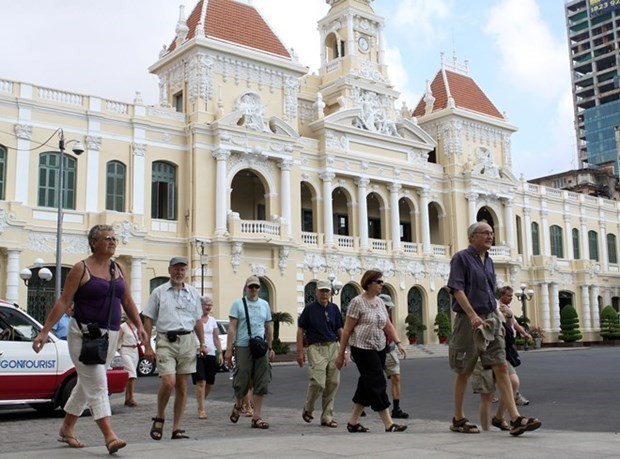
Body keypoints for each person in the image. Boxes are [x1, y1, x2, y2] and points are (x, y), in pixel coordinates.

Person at [32, 224, 147, 454]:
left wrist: (139, 325)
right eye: (107, 238)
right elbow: (64, 301)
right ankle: (110, 436)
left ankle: (66, 428)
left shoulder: (118, 268)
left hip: (110, 335)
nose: (113, 242)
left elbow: (127, 301)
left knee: (86, 386)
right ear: (94, 242)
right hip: (83, 336)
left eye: (114, 238)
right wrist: (45, 330)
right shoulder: (80, 269)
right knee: (98, 384)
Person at [447, 221, 541, 436]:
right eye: (485, 233)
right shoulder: (461, 258)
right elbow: (456, 289)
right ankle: (458, 418)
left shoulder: (489, 261)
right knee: (464, 369)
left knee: (500, 366)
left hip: (490, 319)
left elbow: (490, 293)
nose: (490, 236)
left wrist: (498, 318)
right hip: (468, 319)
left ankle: (515, 418)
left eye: (492, 233)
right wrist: (472, 315)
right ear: (472, 237)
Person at [335, 269, 408, 433]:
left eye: (382, 282)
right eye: (379, 282)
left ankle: (353, 422)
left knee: (366, 383)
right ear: (369, 283)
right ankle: (389, 423)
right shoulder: (357, 302)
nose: (382, 285)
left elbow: (388, 325)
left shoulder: (380, 302)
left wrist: (398, 342)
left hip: (379, 347)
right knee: (377, 381)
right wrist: (342, 353)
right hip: (361, 348)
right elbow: (346, 330)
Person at [143, 256, 205, 441]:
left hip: (187, 340)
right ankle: (160, 416)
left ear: (186, 271)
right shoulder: (159, 292)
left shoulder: (193, 293)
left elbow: (197, 320)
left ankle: (177, 427)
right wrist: (147, 345)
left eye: (182, 269)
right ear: (169, 270)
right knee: (168, 382)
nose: (179, 272)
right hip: (166, 340)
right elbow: (148, 317)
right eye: (176, 269)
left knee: (182, 386)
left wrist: (203, 343)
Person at [226, 275, 274, 429]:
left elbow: (268, 326)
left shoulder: (264, 305)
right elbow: (232, 328)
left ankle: (257, 417)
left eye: (256, 287)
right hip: (243, 345)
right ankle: (239, 404)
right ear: (246, 288)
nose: (253, 290)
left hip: (260, 346)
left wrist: (271, 347)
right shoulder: (238, 304)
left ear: (259, 289)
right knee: (242, 379)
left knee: (262, 380)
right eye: (251, 287)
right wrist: (229, 349)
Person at [296, 280, 346, 428]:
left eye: (327, 291)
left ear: (330, 293)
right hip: (316, 347)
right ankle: (309, 408)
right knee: (318, 381)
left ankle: (327, 417)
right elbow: (300, 330)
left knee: (333, 382)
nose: (324, 294)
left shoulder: (334, 308)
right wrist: (299, 352)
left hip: (333, 347)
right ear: (316, 292)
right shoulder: (309, 309)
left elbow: (340, 330)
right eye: (321, 291)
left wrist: (344, 351)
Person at [496, 286, 531, 406]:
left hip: (508, 344)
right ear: (502, 295)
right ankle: (512, 398)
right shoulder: (496, 308)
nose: (511, 298)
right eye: (509, 296)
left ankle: (510, 397)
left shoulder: (507, 308)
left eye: (512, 296)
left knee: (502, 373)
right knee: (511, 378)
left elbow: (514, 324)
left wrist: (524, 333)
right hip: (500, 345)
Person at [378, 293, 409, 419]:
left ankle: (396, 408)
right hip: (376, 352)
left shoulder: (388, 317)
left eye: (388, 307)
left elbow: (391, 331)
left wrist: (399, 344)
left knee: (396, 377)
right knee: (371, 380)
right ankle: (359, 406)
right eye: (386, 307)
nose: (388, 309)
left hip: (389, 350)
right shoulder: (372, 316)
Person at [192, 295, 223, 419]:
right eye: (206, 304)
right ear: (201, 306)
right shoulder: (195, 319)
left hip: (210, 353)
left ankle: (201, 401)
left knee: (210, 382)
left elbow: (216, 337)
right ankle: (202, 409)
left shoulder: (213, 320)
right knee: (201, 381)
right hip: (197, 352)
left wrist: (220, 353)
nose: (208, 307)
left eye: (210, 305)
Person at [118, 315, 140, 407]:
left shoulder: (137, 327)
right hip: (125, 350)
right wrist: (117, 351)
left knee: (130, 375)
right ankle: (131, 398)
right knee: (132, 374)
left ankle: (127, 398)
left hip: (134, 351)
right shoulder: (123, 327)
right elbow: (117, 339)